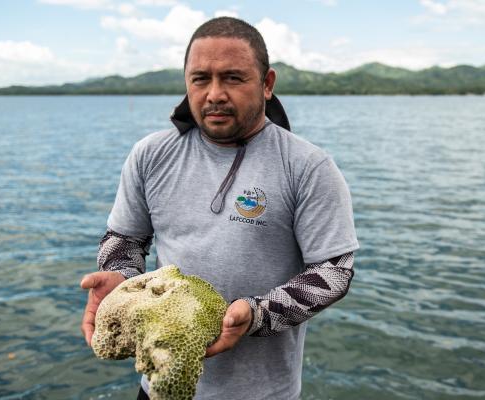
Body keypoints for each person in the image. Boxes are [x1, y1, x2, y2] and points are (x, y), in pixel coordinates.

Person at [80, 16, 359, 400]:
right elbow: (125, 238)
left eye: (233, 78)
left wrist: (256, 314)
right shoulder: (152, 155)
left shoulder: (307, 166)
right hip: (160, 383)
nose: (214, 94)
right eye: (200, 79)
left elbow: (334, 272)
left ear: (267, 84)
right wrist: (122, 279)